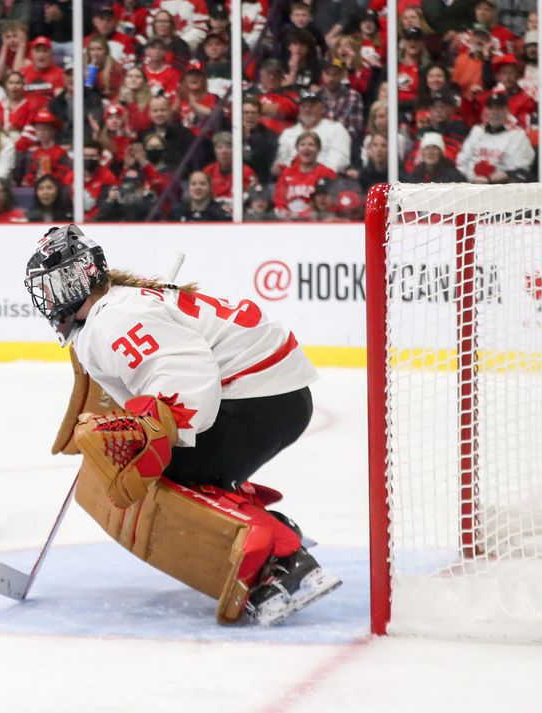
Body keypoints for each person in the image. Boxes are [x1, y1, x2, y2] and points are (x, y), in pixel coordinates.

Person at [21, 225, 338, 626]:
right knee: (176, 463)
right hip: (273, 391)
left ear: (71, 281)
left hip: (262, 396)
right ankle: (255, 517)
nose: (46, 300)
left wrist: (157, 443)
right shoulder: (112, 310)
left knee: (169, 473)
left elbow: (183, 369)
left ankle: (284, 558)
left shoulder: (111, 320)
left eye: (48, 288)